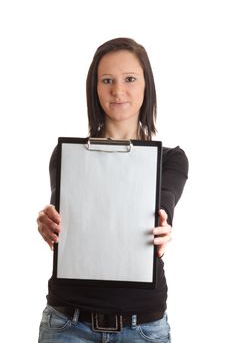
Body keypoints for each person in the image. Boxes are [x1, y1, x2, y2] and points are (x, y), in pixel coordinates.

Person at [37, 37, 188, 343]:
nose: (118, 91)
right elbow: (66, 224)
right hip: (68, 323)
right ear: (95, 88)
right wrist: (49, 222)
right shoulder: (68, 155)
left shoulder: (172, 159)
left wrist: (162, 225)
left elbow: (163, 207)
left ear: (147, 86)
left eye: (130, 79)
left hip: (143, 326)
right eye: (107, 80)